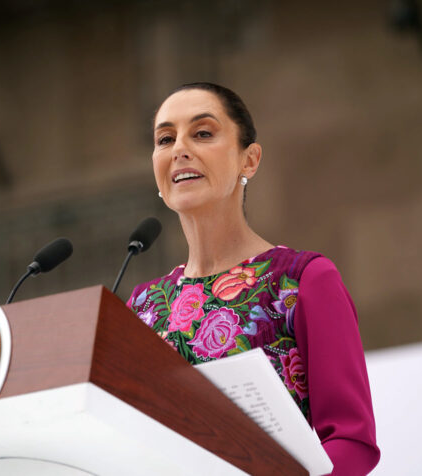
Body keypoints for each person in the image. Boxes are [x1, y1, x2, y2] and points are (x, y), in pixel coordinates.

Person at [126, 82, 380, 475]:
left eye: (203, 133)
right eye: (165, 139)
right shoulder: (142, 306)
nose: (178, 149)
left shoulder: (301, 281)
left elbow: (352, 441)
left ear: (250, 160)